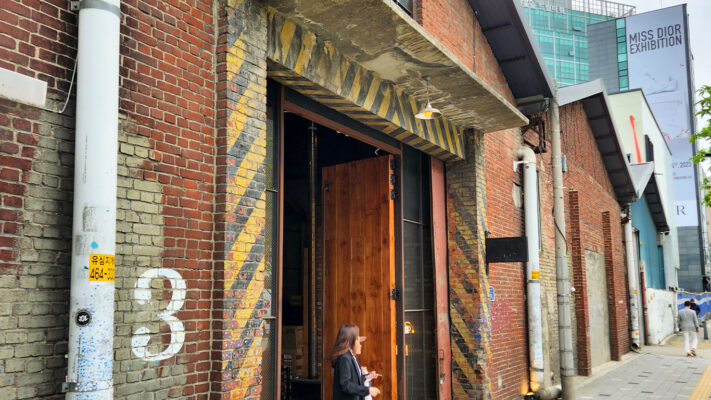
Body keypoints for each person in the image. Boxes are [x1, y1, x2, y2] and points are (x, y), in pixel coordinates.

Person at [330, 324, 381, 399]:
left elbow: (354, 381)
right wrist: (368, 390)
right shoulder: (345, 358)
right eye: (358, 340)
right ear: (350, 341)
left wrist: (366, 377)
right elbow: (346, 385)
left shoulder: (353, 357)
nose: (361, 345)